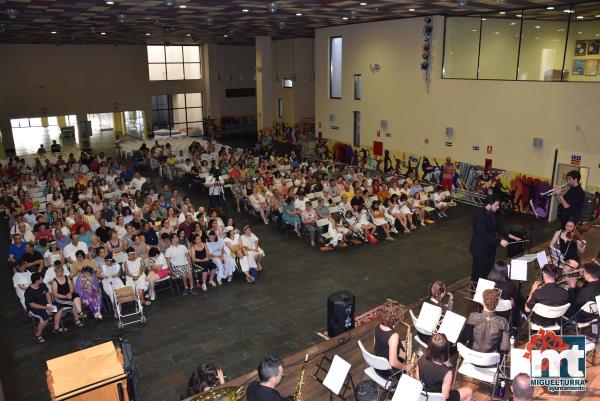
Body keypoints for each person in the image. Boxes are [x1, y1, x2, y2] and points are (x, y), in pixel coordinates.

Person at [469, 195, 521, 284]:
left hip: (490, 248)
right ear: (489, 205)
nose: (498, 207)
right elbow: (484, 234)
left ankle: (485, 292)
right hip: (480, 250)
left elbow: (499, 227)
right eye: (496, 205)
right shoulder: (479, 217)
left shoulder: (493, 213)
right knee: (477, 274)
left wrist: (510, 235)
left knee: (488, 271)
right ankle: (474, 293)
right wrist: (499, 241)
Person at [416, 333, 472, 401]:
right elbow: (445, 396)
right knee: (468, 391)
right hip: (437, 399)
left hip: (423, 397)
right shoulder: (447, 372)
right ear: (445, 350)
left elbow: (418, 381)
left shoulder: (420, 359)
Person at [373, 300, 411, 380]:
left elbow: (376, 347)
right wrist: (405, 367)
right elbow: (392, 362)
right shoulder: (393, 336)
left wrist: (397, 345)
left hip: (377, 366)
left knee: (402, 349)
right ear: (396, 320)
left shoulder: (377, 326)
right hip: (390, 373)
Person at [465, 289, 509, 353]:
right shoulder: (502, 322)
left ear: (483, 301)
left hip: (473, 355)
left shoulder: (473, 317)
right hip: (491, 360)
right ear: (497, 303)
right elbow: (505, 348)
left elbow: (466, 337)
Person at [25, 272, 62, 343]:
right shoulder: (28, 291)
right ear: (37, 280)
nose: (43, 279)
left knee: (59, 308)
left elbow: (47, 294)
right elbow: (32, 305)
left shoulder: (42, 285)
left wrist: (50, 304)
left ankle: (56, 328)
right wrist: (46, 308)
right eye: (41, 278)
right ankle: (38, 335)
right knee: (44, 318)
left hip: (46, 305)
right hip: (33, 309)